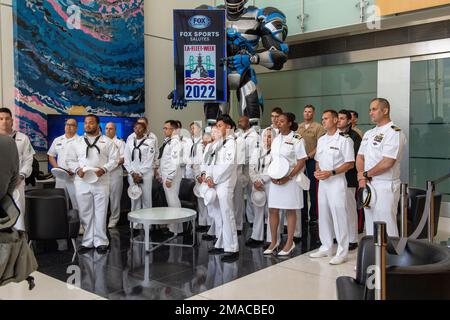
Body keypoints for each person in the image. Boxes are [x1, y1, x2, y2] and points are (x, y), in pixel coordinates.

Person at [66, 115, 119, 254]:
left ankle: (101, 241)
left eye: (91, 123)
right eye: (86, 123)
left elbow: (115, 159)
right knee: (85, 212)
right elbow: (70, 160)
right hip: (82, 181)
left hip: (101, 181)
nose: (88, 125)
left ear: (97, 124)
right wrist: (77, 170)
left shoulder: (107, 142)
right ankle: (88, 241)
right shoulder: (76, 142)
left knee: (101, 212)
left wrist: (104, 169)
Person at [309, 110, 354, 265]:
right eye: (322, 119)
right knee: (324, 215)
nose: (323, 121)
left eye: (326, 118)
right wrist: (318, 170)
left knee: (339, 215)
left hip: (336, 181)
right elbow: (317, 159)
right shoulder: (321, 140)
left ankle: (342, 251)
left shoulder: (344, 139)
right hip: (323, 182)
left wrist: (331, 172)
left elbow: (350, 163)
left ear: (335, 120)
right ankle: (326, 246)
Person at [356, 98, 407, 237]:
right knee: (371, 227)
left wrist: (366, 174)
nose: (370, 113)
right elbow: (360, 157)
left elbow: (387, 162)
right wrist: (362, 177)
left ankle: (391, 258)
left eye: (374, 109)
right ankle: (375, 258)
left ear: (385, 110)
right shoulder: (369, 133)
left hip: (385, 185)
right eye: (370, 110)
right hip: (368, 184)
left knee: (386, 227)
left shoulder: (394, 132)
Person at [265, 112, 307, 256]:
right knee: (273, 210)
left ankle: (289, 242)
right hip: (276, 178)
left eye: (282, 121)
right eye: (278, 120)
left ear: (289, 123)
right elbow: (273, 159)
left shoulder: (297, 138)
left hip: (290, 179)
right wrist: (271, 173)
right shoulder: (276, 138)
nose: (278, 122)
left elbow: (302, 160)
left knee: (290, 210)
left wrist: (288, 177)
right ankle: (274, 241)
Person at [204, 115, 239, 262]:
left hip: (225, 183)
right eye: (216, 126)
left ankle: (232, 248)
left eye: (220, 125)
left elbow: (228, 165)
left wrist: (215, 179)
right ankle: (221, 243)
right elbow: (209, 162)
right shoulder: (217, 143)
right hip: (215, 182)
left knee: (227, 214)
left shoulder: (231, 143)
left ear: (228, 127)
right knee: (218, 214)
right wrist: (208, 177)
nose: (217, 128)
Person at [0, 107, 35, 231]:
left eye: (7, 118)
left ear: (12, 121)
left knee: (18, 216)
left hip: (17, 184)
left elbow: (28, 160)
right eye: (1, 119)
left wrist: (21, 176)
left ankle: (19, 247)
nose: (4, 121)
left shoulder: (22, 138)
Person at [297, 105, 325, 225]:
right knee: (301, 187)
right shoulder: (299, 127)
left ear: (313, 114)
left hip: (311, 160)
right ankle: (303, 215)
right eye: (305, 111)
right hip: (300, 162)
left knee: (313, 189)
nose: (307, 114)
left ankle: (314, 216)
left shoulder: (318, 127)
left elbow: (320, 145)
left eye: (309, 112)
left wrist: (309, 156)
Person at [338, 110, 362, 251]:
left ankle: (353, 238)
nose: (339, 121)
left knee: (349, 208)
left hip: (349, 176)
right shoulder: (332, 136)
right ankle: (341, 235)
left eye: (342, 119)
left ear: (349, 121)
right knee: (338, 208)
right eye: (338, 118)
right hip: (334, 178)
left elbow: (355, 158)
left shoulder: (354, 137)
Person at [124, 122, 157, 220]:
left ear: (145, 130)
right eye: (136, 128)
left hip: (145, 174)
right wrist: (132, 173)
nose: (138, 130)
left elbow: (149, 160)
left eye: (140, 128)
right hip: (132, 174)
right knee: (134, 198)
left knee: (146, 199)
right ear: (133, 129)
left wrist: (140, 173)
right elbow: (126, 160)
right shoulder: (129, 142)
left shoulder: (150, 142)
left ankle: (147, 223)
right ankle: (135, 224)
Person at [247, 128, 273, 247]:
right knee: (258, 210)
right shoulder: (257, 150)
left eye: (270, 136)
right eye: (265, 136)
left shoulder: (276, 152)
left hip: (270, 182)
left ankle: (271, 238)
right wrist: (256, 180)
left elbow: (275, 168)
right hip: (257, 182)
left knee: (271, 211)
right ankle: (256, 236)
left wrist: (263, 180)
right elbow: (251, 167)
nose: (267, 139)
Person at [157, 120, 183, 235]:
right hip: (166, 175)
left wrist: (169, 178)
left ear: (173, 129)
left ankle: (176, 229)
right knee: (171, 201)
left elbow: (174, 162)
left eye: (166, 128)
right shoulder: (169, 141)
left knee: (173, 201)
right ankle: (174, 226)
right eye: (164, 128)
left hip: (171, 177)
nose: (164, 130)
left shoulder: (175, 143)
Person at [47, 118, 79, 211]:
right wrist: (57, 168)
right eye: (67, 124)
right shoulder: (58, 140)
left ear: (76, 128)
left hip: (74, 177)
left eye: (72, 125)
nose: (69, 127)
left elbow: (83, 159)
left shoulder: (80, 140)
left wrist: (75, 169)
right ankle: (63, 223)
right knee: (61, 201)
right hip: (60, 176)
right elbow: (51, 155)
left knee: (76, 202)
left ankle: (80, 224)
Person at [238, 116, 259, 226]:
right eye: (238, 121)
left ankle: (252, 219)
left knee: (252, 194)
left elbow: (254, 154)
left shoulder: (254, 136)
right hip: (240, 168)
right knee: (239, 195)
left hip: (250, 167)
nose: (239, 123)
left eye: (241, 121)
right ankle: (241, 219)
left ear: (248, 122)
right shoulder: (238, 135)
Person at [105, 122, 126, 228]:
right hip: (103, 175)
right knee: (102, 198)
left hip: (115, 174)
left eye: (111, 129)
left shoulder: (120, 142)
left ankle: (114, 219)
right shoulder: (101, 141)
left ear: (115, 130)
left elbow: (122, 159)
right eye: (106, 128)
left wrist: (109, 166)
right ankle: (102, 219)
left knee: (115, 198)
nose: (108, 130)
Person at [0, 135, 19, 201]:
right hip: (5, 197)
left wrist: (22, 175)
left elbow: (28, 159)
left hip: (16, 183)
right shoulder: (9, 142)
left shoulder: (8, 142)